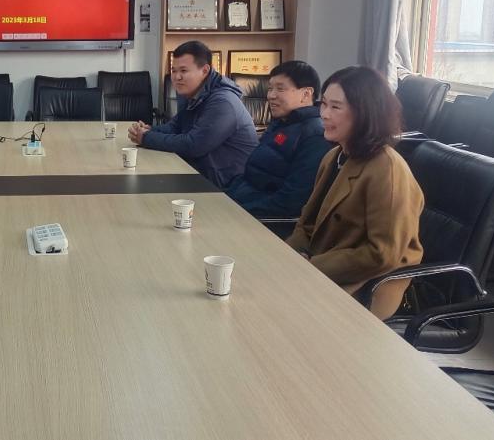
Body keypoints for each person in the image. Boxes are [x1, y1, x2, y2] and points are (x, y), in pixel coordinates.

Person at [285, 66, 424, 320]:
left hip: (367, 284)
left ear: (364, 113)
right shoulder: (334, 156)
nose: (324, 114)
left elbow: (381, 254)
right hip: (321, 267)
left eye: (336, 107)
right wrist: (286, 257)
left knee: (278, 313)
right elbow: (308, 222)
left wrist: (312, 266)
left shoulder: (388, 169)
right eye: (323, 104)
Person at [128, 40, 258, 188]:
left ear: (205, 70)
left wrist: (146, 138)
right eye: (174, 71)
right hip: (202, 174)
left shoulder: (223, 102)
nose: (177, 77)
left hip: (230, 186)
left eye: (183, 71)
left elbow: (194, 145)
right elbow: (175, 127)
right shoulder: (192, 93)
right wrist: (148, 130)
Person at [225, 61, 332, 218]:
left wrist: (236, 212)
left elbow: (290, 202)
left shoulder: (315, 135)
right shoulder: (283, 123)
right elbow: (253, 175)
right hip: (241, 202)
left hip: (263, 221)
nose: (271, 95)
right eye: (270, 89)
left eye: (280, 89)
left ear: (306, 94)